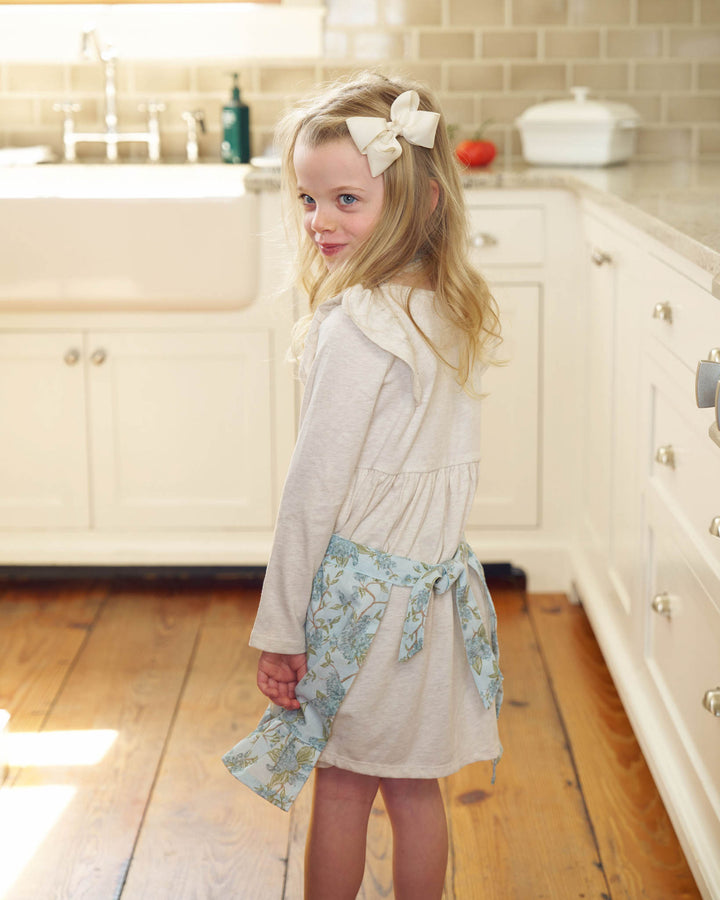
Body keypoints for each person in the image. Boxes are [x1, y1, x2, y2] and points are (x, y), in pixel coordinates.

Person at [223, 72, 503, 900]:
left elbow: (312, 495)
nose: (320, 222)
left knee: (343, 783)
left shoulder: (355, 329)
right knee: (416, 788)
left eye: (347, 199)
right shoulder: (449, 308)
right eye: (309, 200)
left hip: (362, 611)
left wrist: (281, 626)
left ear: (417, 202)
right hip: (435, 598)